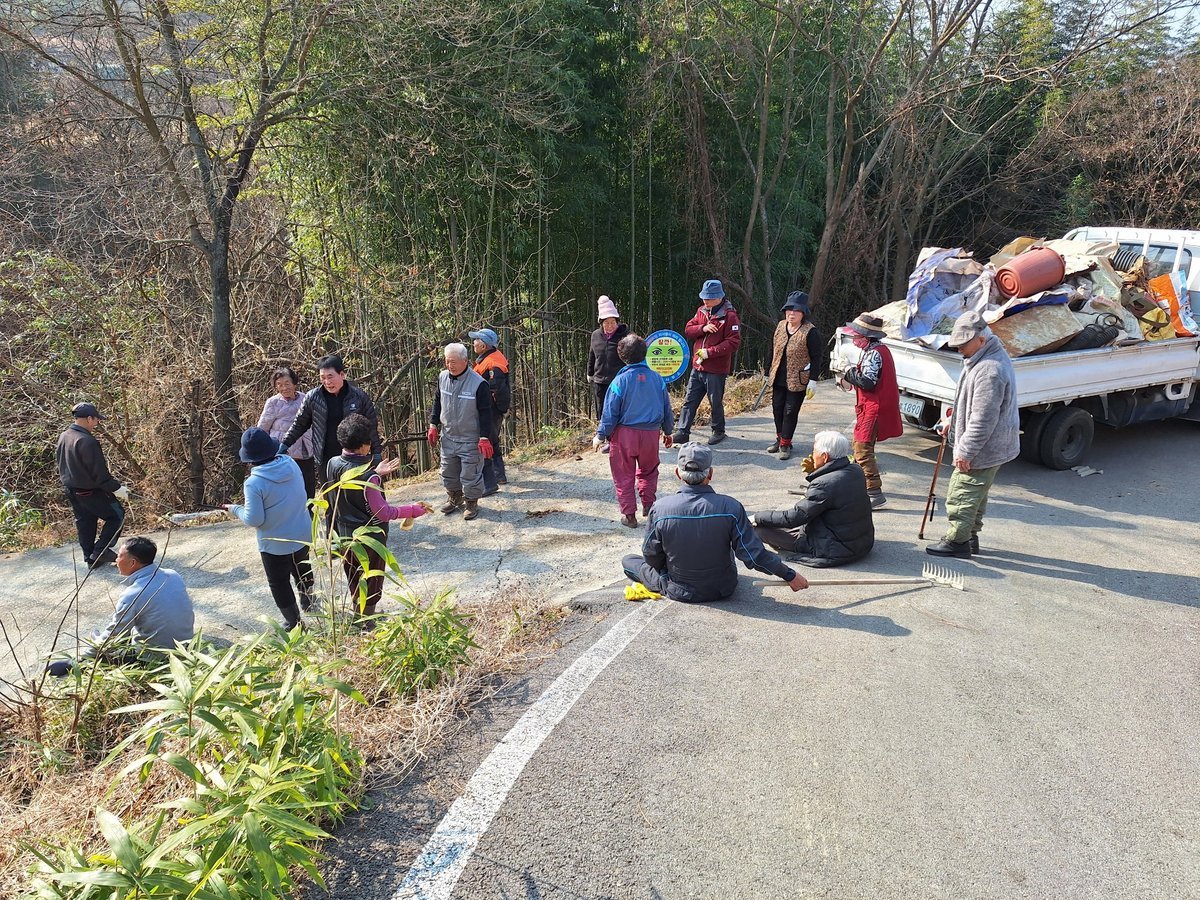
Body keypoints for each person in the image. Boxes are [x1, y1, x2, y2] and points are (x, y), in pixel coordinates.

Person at [621, 443, 808, 602]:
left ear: (678, 473)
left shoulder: (660, 509)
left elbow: (650, 554)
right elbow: (753, 555)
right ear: (710, 473)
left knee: (629, 560)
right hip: (723, 588)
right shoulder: (731, 507)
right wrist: (788, 574)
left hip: (678, 589)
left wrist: (666, 567)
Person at [927, 311, 1019, 558]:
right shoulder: (982, 356)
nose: (958, 349)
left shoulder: (989, 370)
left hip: (984, 447)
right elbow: (971, 404)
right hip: (990, 445)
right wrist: (952, 420)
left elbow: (983, 419)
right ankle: (969, 538)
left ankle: (957, 542)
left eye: (962, 344)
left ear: (980, 339)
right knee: (976, 494)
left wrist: (966, 451)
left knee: (962, 493)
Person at [328, 414, 433, 623]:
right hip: (369, 538)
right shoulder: (369, 477)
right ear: (364, 446)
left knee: (354, 575)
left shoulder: (332, 463)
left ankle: (358, 615)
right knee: (372, 577)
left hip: (344, 534)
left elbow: (350, 484)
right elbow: (383, 512)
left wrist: (375, 473)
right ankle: (367, 621)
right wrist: (412, 510)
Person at [46, 536, 195, 676]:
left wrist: (79, 659)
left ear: (132, 563)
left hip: (155, 657)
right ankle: (98, 640)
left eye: (119, 556)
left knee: (105, 652)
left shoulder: (133, 594)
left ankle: (86, 656)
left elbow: (114, 634)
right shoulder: (173, 575)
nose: (116, 560)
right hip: (184, 647)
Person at [223, 427, 316, 630]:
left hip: (275, 544)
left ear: (249, 459)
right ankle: (309, 601)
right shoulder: (291, 464)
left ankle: (294, 622)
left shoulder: (253, 483)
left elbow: (254, 519)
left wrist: (235, 509)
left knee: (279, 582)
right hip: (302, 533)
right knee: (302, 568)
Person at [750, 430, 874, 568]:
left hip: (834, 548)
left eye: (814, 451)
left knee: (758, 530)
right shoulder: (856, 470)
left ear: (825, 457)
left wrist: (757, 517)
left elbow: (794, 518)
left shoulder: (824, 484)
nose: (812, 455)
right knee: (776, 521)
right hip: (861, 542)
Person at [592, 334, 674, 528]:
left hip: (624, 435)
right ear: (645, 353)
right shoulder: (657, 379)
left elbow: (610, 413)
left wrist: (600, 435)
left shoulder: (619, 381)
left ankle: (629, 516)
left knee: (623, 475)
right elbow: (666, 407)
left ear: (621, 356)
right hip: (650, 434)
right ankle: (649, 507)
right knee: (649, 471)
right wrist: (668, 431)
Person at [281, 355, 380, 496]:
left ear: (342, 374)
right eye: (323, 377)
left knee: (356, 497)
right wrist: (284, 445)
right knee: (331, 499)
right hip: (325, 458)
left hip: (354, 457)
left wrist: (376, 453)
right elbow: (299, 424)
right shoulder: (313, 397)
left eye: (330, 376)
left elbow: (371, 428)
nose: (327, 382)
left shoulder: (359, 397)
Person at [837, 312, 902, 508]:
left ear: (866, 337)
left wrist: (848, 371)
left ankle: (874, 491)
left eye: (856, 336)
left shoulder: (874, 353)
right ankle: (860, 486)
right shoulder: (877, 350)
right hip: (871, 406)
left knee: (863, 448)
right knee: (861, 446)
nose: (854, 339)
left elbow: (867, 382)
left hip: (874, 407)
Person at [56, 402, 128, 570]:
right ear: (89, 418)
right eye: (96, 419)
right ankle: (100, 550)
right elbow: (99, 473)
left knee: (85, 522)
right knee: (117, 516)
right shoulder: (87, 441)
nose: (96, 423)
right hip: (90, 491)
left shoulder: (64, 436)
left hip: (71, 489)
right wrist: (116, 488)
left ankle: (90, 557)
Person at [672, 279, 742, 446]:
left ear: (719, 297)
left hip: (716, 369)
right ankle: (683, 431)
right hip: (698, 366)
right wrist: (702, 328)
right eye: (704, 297)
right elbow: (688, 329)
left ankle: (718, 431)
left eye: (709, 298)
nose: (705, 301)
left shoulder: (730, 316)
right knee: (690, 399)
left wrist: (710, 352)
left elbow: (733, 342)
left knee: (715, 401)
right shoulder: (701, 311)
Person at [428, 343, 494, 521]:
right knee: (448, 471)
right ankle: (454, 497)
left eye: (454, 362)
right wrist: (433, 424)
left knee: (470, 475)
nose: (450, 365)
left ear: (465, 361)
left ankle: (471, 502)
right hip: (448, 436)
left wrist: (484, 437)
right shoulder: (442, 377)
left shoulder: (479, 383)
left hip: (470, 439)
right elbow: (437, 402)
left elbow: (486, 413)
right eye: (447, 361)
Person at [765, 291, 823, 460]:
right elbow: (773, 349)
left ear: (803, 313)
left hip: (798, 379)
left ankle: (785, 443)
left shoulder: (810, 331)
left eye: (796, 310)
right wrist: (767, 372)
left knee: (790, 411)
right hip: (778, 376)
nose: (792, 313)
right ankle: (780, 439)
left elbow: (817, 357)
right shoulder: (780, 326)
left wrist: (813, 380)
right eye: (789, 310)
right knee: (777, 408)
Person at [257, 366, 316, 499]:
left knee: (308, 489)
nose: (284, 388)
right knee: (289, 492)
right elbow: (262, 429)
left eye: (287, 383)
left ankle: (309, 512)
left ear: (294, 383)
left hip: (306, 451)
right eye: (279, 384)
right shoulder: (273, 403)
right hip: (284, 454)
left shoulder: (305, 398)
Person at [470, 327, 511, 496]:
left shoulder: (493, 363)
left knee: (488, 440)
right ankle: (498, 475)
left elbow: (499, 389)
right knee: (492, 440)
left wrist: (501, 409)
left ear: (484, 345)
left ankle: (491, 480)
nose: (473, 343)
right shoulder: (488, 358)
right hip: (490, 407)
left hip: (491, 408)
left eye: (476, 340)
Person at [587, 295, 629, 453]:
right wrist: (590, 373)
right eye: (606, 322)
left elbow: (631, 356)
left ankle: (618, 441)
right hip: (600, 380)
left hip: (619, 381)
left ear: (617, 321)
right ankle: (609, 439)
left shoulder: (625, 336)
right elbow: (592, 355)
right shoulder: (595, 335)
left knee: (619, 410)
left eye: (613, 322)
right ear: (601, 323)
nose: (610, 325)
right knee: (603, 411)